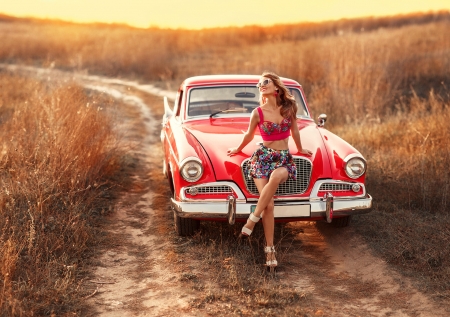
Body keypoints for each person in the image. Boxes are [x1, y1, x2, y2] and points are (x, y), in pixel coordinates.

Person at [227, 72, 312, 271]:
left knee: (276, 176)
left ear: (276, 87)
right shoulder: (258, 112)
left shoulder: (289, 107)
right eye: (259, 84)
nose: (261, 85)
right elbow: (249, 135)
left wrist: (299, 149)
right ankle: (270, 250)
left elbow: (295, 131)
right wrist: (238, 149)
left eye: (265, 82)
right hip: (263, 158)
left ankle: (251, 220)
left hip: (283, 159)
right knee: (269, 206)